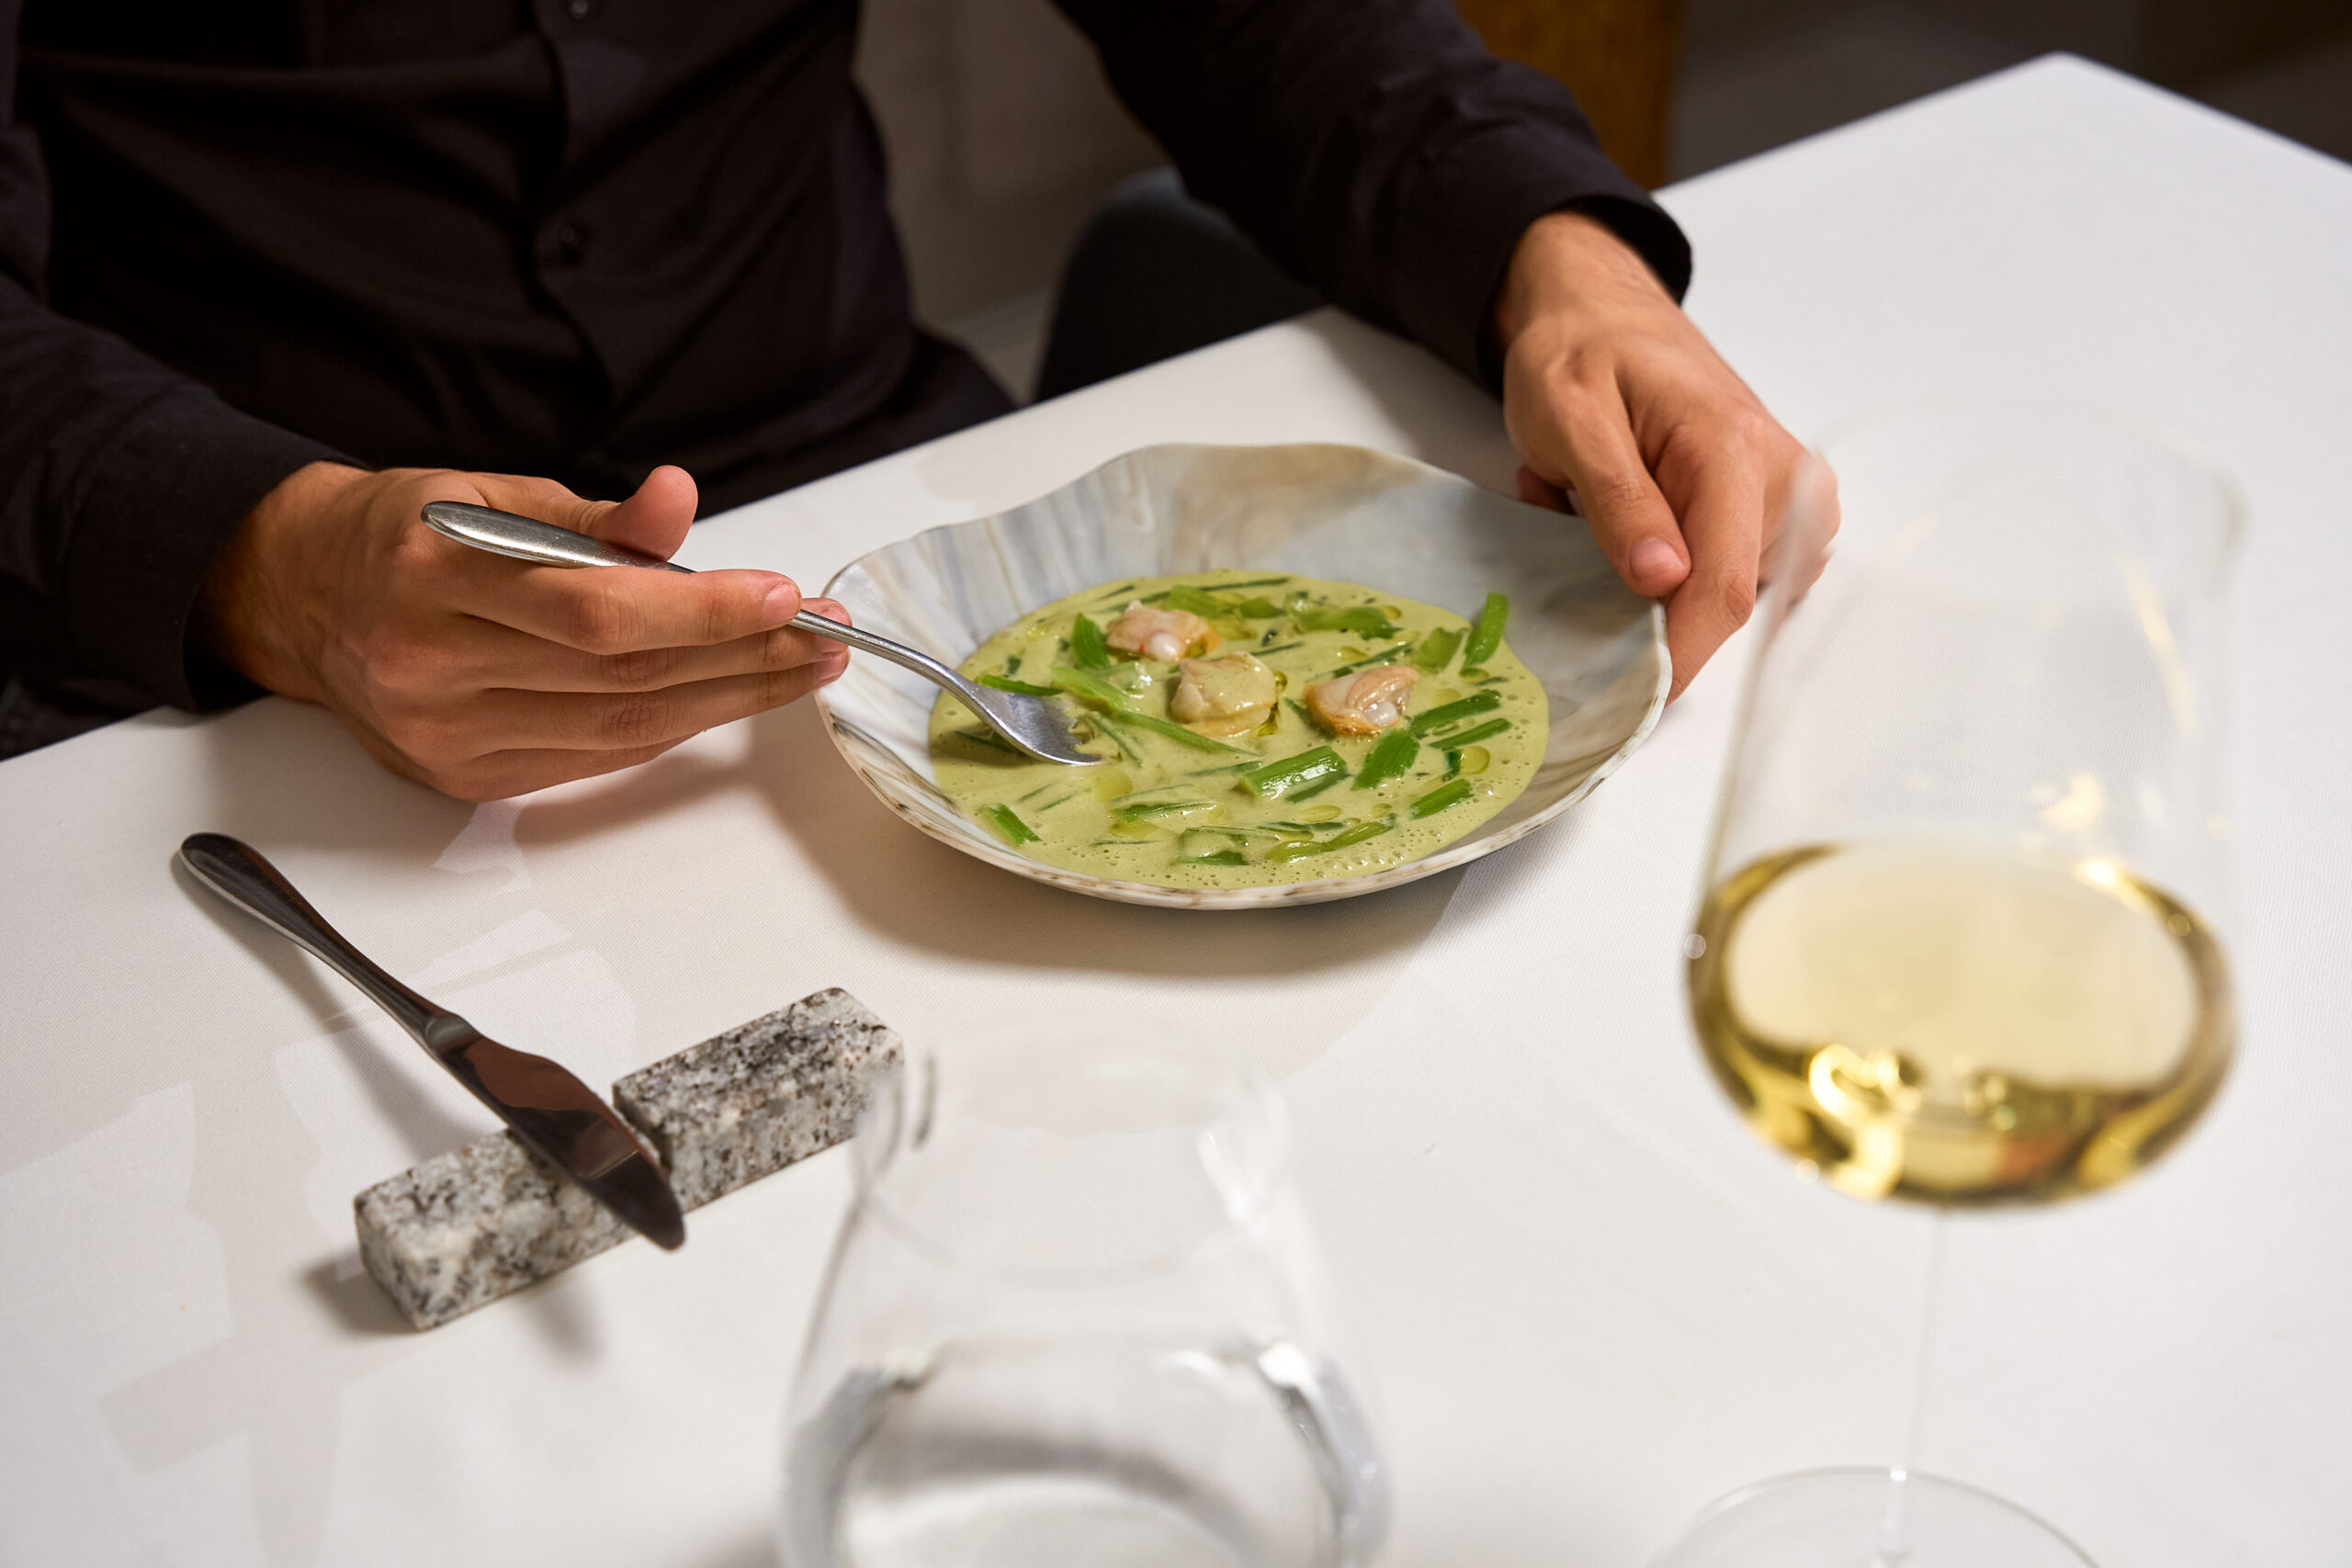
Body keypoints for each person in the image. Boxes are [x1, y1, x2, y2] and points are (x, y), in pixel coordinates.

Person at [0, 0, 1812, 797]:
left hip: (887, 525)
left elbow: (1255, 21)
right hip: (225, 678)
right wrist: (269, 556)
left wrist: (1548, 255)